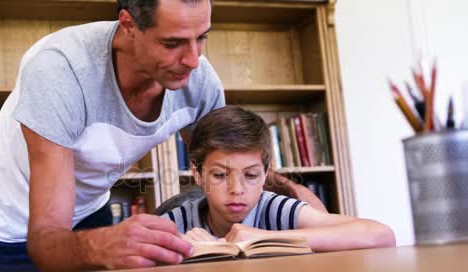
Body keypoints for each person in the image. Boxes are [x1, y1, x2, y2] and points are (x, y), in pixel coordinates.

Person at [0, 0, 325, 270]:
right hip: (8, 224)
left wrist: (291, 191)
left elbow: (230, 159)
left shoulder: (199, 79)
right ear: (128, 25)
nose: (193, 59)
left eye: (201, 37)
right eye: (173, 43)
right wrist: (96, 245)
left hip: (88, 209)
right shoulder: (60, 71)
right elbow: (44, 241)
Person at [161, 106, 396, 252]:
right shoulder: (177, 221)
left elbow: (381, 235)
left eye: (251, 175)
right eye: (220, 175)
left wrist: (265, 238)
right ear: (197, 173)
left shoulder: (276, 209)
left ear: (266, 172)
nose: (236, 189)